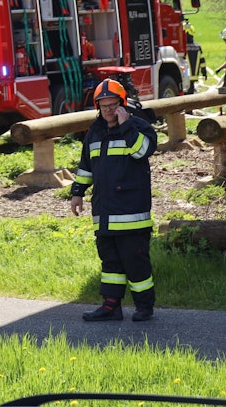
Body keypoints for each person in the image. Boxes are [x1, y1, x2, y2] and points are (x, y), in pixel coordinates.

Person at [70, 78, 158, 323]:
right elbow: (86, 165)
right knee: (110, 263)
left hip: (132, 214)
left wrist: (126, 125)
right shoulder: (94, 132)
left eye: (113, 105)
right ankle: (111, 306)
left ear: (123, 104)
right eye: (103, 105)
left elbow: (141, 151)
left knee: (135, 262)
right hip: (104, 213)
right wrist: (78, 192)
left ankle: (144, 307)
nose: (108, 110)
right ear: (98, 107)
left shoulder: (140, 127)